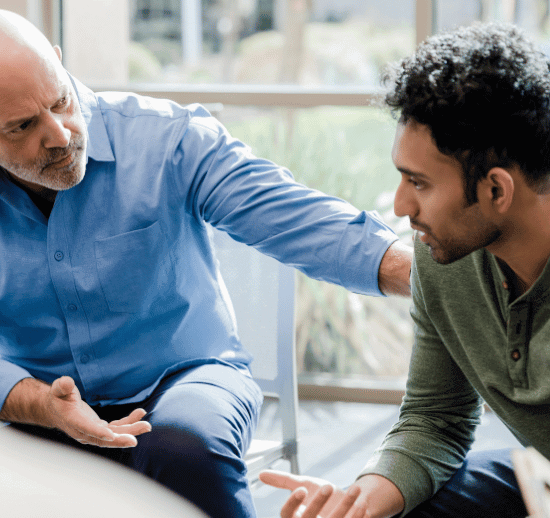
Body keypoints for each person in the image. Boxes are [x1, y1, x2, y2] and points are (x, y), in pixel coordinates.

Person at [0, 9, 412, 518]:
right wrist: (35, 402)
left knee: (182, 447)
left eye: (61, 100)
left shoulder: (166, 139)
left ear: (61, 65)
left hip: (185, 377)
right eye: (23, 125)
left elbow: (289, 216)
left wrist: (418, 275)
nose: (60, 135)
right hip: (37, 401)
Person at [260, 21, 550, 518]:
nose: (399, 206)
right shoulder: (444, 263)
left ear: (496, 191)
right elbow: (435, 419)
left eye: (419, 184)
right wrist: (358, 503)